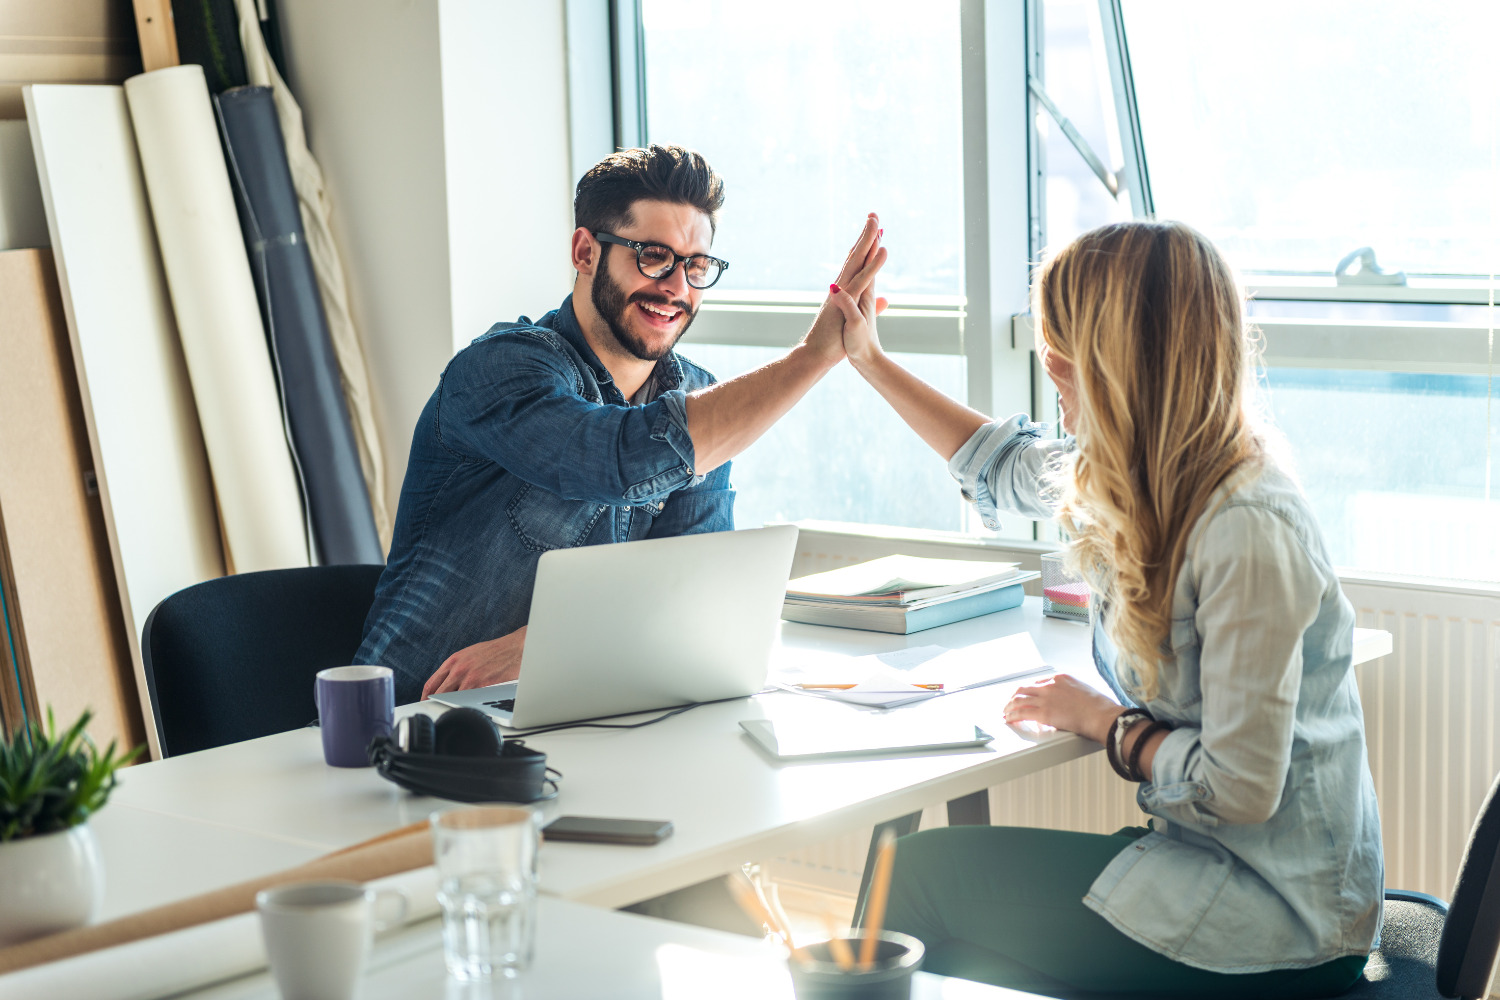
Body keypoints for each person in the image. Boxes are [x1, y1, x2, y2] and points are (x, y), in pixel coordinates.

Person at [827, 220, 1383, 997]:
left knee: (912, 883)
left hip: (1281, 921)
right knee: (928, 883)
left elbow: (1241, 787)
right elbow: (1006, 466)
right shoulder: (1140, 479)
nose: (1047, 363)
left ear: (1116, 362)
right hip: (1216, 868)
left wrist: (1105, 722)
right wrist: (870, 362)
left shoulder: (1248, 524)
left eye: (1062, 345)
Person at [356, 145, 886, 705]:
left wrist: (543, 643)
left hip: (586, 723)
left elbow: (688, 588)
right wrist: (812, 358)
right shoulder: (501, 369)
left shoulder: (700, 400)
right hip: (404, 730)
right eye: (653, 256)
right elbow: (615, 460)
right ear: (586, 252)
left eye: (696, 265)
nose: (676, 287)